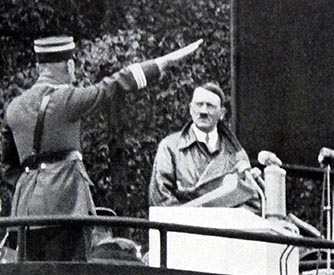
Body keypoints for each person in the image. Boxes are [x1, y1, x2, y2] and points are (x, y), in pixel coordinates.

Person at [1, 35, 201, 261]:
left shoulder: (14, 108)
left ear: (39, 67)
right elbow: (114, 84)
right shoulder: (67, 98)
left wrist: (29, 183)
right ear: (69, 65)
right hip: (65, 205)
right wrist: (162, 63)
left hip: (24, 209)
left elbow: (9, 165)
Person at [148, 82, 259, 208]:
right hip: (182, 226)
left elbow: (252, 203)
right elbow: (161, 199)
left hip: (223, 226)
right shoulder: (170, 147)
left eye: (210, 106)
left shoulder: (237, 155)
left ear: (222, 113)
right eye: (199, 104)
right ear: (190, 109)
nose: (203, 111)